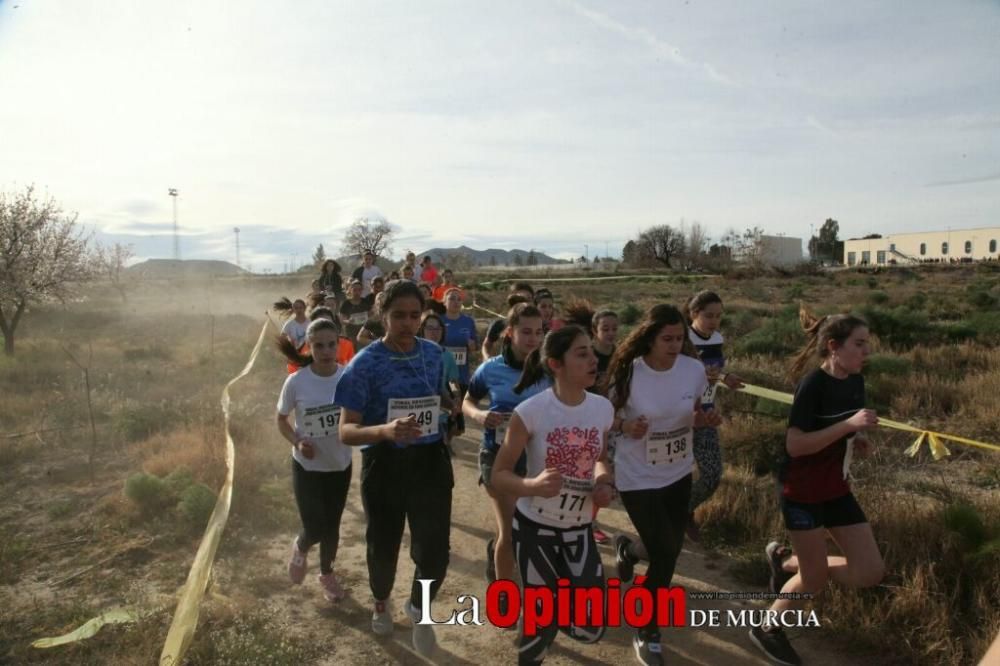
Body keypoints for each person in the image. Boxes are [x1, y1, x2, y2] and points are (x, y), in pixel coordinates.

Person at [748, 308, 884, 666]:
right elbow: (795, 445)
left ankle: (785, 560)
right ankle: (766, 628)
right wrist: (846, 427)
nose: (866, 352)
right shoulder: (812, 385)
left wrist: (858, 439)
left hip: (836, 488)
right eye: (859, 344)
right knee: (815, 580)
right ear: (832, 346)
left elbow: (843, 429)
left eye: (867, 344)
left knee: (870, 572)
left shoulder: (855, 380)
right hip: (802, 492)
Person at [335, 279, 454, 658]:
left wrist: (452, 410)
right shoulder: (364, 364)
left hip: (429, 462)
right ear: (382, 315)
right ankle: (381, 600)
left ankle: (419, 607)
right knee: (383, 546)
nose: (407, 323)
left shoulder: (434, 355)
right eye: (398, 315)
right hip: (384, 464)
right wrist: (385, 431)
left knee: (434, 551)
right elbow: (346, 431)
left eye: (415, 315)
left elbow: (439, 398)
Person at [492, 325, 615, 665]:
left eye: (592, 352)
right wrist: (532, 486)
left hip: (579, 529)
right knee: (538, 630)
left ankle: (544, 613)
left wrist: (603, 483)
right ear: (555, 364)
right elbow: (499, 475)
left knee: (592, 626)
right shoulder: (530, 412)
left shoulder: (603, 408)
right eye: (582, 353)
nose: (593, 360)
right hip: (535, 530)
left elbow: (600, 459)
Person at [605, 305, 722, 665]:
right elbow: (603, 416)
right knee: (668, 551)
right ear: (649, 338)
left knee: (664, 548)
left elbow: (696, 410)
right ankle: (647, 627)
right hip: (636, 476)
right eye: (666, 339)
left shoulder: (692, 371)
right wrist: (625, 427)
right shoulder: (628, 373)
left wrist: (704, 420)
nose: (674, 345)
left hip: (677, 473)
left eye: (679, 339)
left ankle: (628, 552)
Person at [463, 304, 548, 597]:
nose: (533, 339)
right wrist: (479, 416)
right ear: (510, 333)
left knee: (530, 531)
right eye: (526, 332)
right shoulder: (491, 368)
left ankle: (497, 552)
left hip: (538, 459)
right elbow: (467, 401)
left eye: (538, 332)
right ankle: (505, 593)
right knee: (510, 534)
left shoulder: (549, 369)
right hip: (498, 457)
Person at [276, 318, 352, 603]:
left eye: (331, 344)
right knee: (314, 526)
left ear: (338, 345)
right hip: (307, 466)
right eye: (318, 345)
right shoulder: (296, 382)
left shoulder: (348, 377)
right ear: (309, 346)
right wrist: (297, 441)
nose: (325, 350)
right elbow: (281, 420)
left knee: (332, 526)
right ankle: (301, 546)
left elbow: (358, 415)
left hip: (339, 465)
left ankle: (327, 573)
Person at [683, 291, 745, 541]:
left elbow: (715, 371)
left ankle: (684, 510)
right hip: (681, 416)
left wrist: (725, 377)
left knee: (712, 473)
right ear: (693, 314)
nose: (714, 321)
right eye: (708, 316)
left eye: (718, 316)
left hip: (707, 413)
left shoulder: (717, 338)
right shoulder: (683, 339)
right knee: (674, 475)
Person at [418, 311, 461, 451]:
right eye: (430, 328)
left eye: (438, 328)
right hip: (414, 411)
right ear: (421, 329)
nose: (434, 332)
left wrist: (456, 397)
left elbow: (452, 381)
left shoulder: (447, 355)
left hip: (439, 413)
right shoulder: (411, 353)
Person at [441, 287, 478, 436]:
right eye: (452, 298)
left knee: (458, 415)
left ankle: (448, 437)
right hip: (443, 374)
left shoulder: (468, 321)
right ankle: (445, 442)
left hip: (461, 374)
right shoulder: (439, 320)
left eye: (459, 299)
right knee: (446, 411)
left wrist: (472, 345)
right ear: (444, 302)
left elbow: (475, 347)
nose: (456, 302)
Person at [482, 283, 534, 358]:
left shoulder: (540, 326)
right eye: (520, 299)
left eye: (528, 299)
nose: (524, 303)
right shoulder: (500, 324)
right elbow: (486, 345)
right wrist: (487, 359)